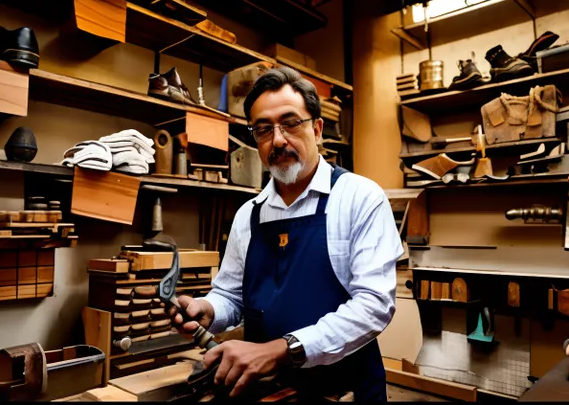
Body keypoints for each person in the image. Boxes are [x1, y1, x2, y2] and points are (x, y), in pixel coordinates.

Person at [170, 66, 403, 401]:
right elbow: (231, 297)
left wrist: (280, 350)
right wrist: (207, 310)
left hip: (344, 390)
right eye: (263, 130)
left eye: (291, 123)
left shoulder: (359, 198)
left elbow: (374, 306)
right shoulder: (248, 215)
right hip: (268, 392)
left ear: (318, 128)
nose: (277, 140)